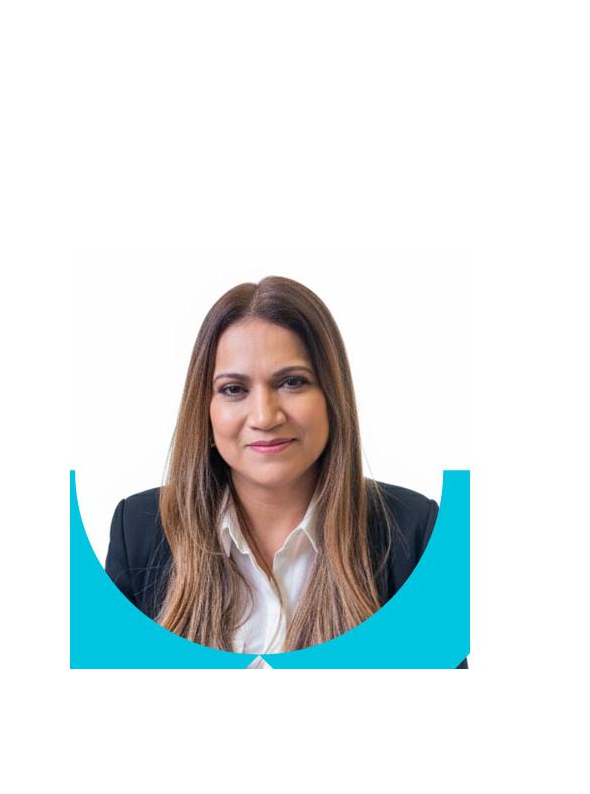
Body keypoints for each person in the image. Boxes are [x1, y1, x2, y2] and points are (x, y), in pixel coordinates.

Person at [105, 276, 467, 666]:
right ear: (204, 409)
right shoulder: (139, 530)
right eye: (233, 389)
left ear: (332, 397)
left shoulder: (415, 531)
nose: (264, 417)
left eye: (292, 382)